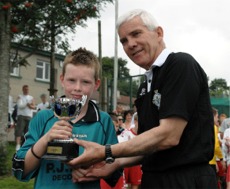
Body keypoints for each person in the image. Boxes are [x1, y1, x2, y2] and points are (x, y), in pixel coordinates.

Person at [67, 9, 217, 188]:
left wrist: (105, 151)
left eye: (136, 34)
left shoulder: (180, 65)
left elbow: (168, 136)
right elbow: (150, 143)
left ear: (158, 33)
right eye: (124, 40)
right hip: (153, 178)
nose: (130, 44)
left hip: (185, 179)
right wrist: (117, 163)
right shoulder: (145, 85)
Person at [12, 48, 121, 189]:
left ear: (96, 84)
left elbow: (115, 168)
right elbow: (20, 170)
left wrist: (92, 170)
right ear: (62, 80)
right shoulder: (43, 117)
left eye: (86, 82)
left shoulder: (104, 120)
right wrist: (45, 140)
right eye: (71, 80)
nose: (77, 88)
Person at [118, 114, 142, 189]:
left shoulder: (145, 134)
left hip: (137, 163)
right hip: (126, 163)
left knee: (136, 185)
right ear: (135, 121)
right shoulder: (126, 133)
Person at [15, 84, 36, 151]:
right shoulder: (20, 97)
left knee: (27, 132)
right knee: (19, 131)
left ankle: (26, 145)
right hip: (21, 116)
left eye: (27, 89)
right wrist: (27, 104)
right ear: (23, 89)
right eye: (25, 89)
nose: (26, 90)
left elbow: (33, 107)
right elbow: (20, 106)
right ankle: (18, 145)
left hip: (29, 116)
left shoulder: (31, 97)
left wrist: (29, 105)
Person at [209, 108, 225, 188]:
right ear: (212, 116)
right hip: (210, 162)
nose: (217, 119)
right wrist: (221, 158)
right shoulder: (213, 127)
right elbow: (216, 146)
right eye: (217, 116)